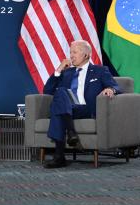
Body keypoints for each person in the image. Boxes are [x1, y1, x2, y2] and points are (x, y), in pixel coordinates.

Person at [43, 40, 120, 168]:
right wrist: (59, 70)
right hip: (68, 107)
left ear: (86, 55)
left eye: (75, 52)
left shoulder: (99, 70)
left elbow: (115, 86)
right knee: (61, 92)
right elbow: (47, 91)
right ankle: (70, 133)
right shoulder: (67, 72)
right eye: (70, 52)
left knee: (57, 109)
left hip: (86, 108)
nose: (71, 55)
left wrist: (111, 89)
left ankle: (59, 156)